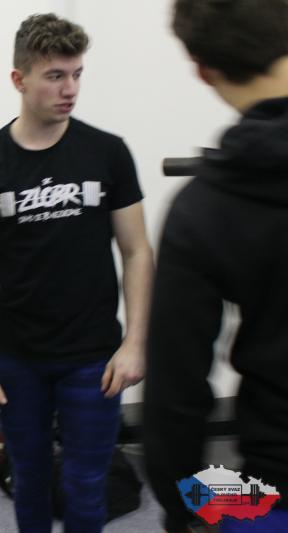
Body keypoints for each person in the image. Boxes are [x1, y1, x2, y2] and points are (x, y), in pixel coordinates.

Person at [0, 13, 153, 533]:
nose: (70, 89)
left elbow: (136, 251)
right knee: (29, 482)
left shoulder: (107, 153)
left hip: (93, 357)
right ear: (18, 80)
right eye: (55, 76)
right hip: (19, 357)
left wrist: (135, 343)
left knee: (87, 487)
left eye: (77, 74)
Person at [143, 1, 288, 532]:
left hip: (276, 495)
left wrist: (191, 510)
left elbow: (174, 404)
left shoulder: (203, 209)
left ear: (201, 68)